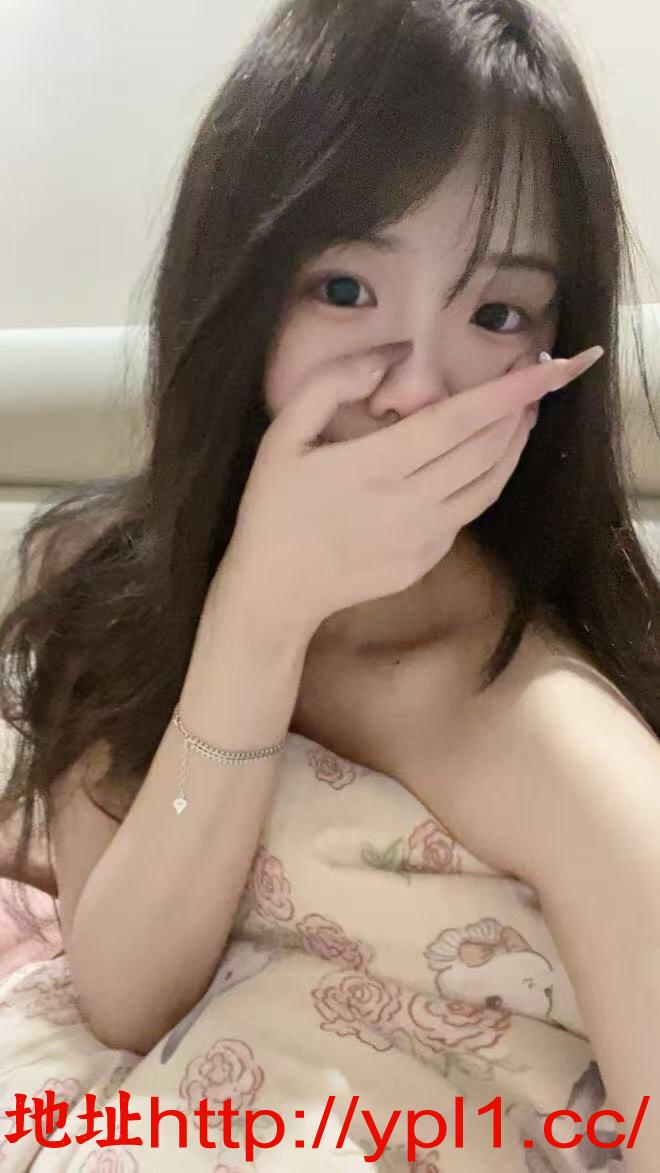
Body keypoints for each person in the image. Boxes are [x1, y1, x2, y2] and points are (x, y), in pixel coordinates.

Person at [0, 0, 658, 1168]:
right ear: (238, 285)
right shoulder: (107, 580)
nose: (414, 391)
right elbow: (125, 992)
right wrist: (258, 615)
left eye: (497, 312)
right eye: (347, 289)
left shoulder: (547, 726)